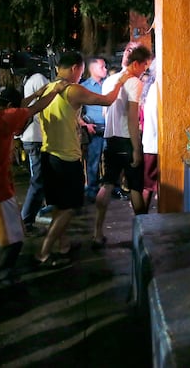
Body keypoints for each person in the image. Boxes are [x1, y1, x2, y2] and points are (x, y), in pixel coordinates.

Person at [0, 82, 68, 291]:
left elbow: (21, 107)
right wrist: (54, 92)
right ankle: (0, 279)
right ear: (9, 106)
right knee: (13, 237)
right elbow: (33, 109)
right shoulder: (6, 118)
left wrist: (35, 94)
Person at [34, 51, 131, 268]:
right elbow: (107, 100)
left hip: (48, 154)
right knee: (70, 208)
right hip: (66, 158)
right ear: (76, 68)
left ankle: (63, 245)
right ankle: (43, 252)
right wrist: (120, 82)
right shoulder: (72, 89)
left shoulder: (48, 88)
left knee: (60, 204)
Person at [93, 45, 153, 249]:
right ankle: (142, 234)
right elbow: (133, 117)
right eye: (144, 66)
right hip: (127, 140)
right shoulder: (134, 82)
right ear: (136, 63)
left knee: (107, 183)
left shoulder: (110, 80)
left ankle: (97, 232)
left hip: (110, 139)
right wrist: (136, 148)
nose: (144, 70)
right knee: (135, 188)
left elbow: (104, 113)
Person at [19, 72, 50, 235]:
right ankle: (26, 221)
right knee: (37, 181)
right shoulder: (39, 78)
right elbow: (41, 107)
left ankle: (28, 218)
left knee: (39, 180)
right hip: (36, 137)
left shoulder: (31, 79)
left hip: (34, 138)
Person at [81, 57, 108, 202]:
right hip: (94, 128)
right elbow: (76, 110)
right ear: (92, 69)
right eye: (102, 67)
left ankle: (110, 188)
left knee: (109, 159)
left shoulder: (108, 84)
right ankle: (92, 189)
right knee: (93, 160)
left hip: (109, 128)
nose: (105, 70)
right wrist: (85, 124)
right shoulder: (84, 87)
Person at [140, 65, 158, 212]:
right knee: (149, 186)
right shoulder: (156, 89)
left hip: (151, 144)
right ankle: (141, 219)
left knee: (148, 186)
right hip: (155, 145)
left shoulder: (151, 87)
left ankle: (141, 218)